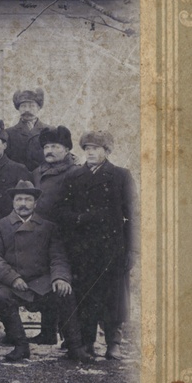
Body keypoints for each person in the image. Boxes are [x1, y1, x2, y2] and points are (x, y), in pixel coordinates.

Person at [0, 180, 92, 363]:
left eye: (28, 199)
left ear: (35, 203)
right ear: (13, 202)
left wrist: (60, 278)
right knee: (1, 296)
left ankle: (75, 347)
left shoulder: (48, 227)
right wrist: (12, 278)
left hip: (39, 280)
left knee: (65, 292)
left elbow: (58, 257)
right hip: (9, 280)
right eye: (19, 199)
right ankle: (20, 346)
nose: (23, 204)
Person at [57, 131, 139, 360]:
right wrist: (80, 219)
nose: (90, 152)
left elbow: (134, 215)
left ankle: (114, 343)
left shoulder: (121, 176)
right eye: (87, 148)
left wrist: (133, 249)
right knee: (86, 296)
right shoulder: (73, 176)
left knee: (114, 297)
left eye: (95, 148)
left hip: (113, 248)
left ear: (107, 151)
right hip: (82, 250)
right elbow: (61, 210)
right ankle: (88, 343)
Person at [29, 125, 82, 345]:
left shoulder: (76, 172)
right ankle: (47, 331)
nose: (49, 151)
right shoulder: (37, 172)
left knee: (66, 284)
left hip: (68, 236)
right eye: (46, 147)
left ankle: (71, 337)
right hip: (42, 234)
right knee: (45, 281)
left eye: (55, 146)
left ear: (67, 149)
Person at [5, 88, 50, 170]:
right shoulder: (9, 133)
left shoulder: (49, 130)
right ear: (18, 108)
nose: (27, 110)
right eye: (23, 106)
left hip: (44, 174)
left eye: (32, 106)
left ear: (38, 107)